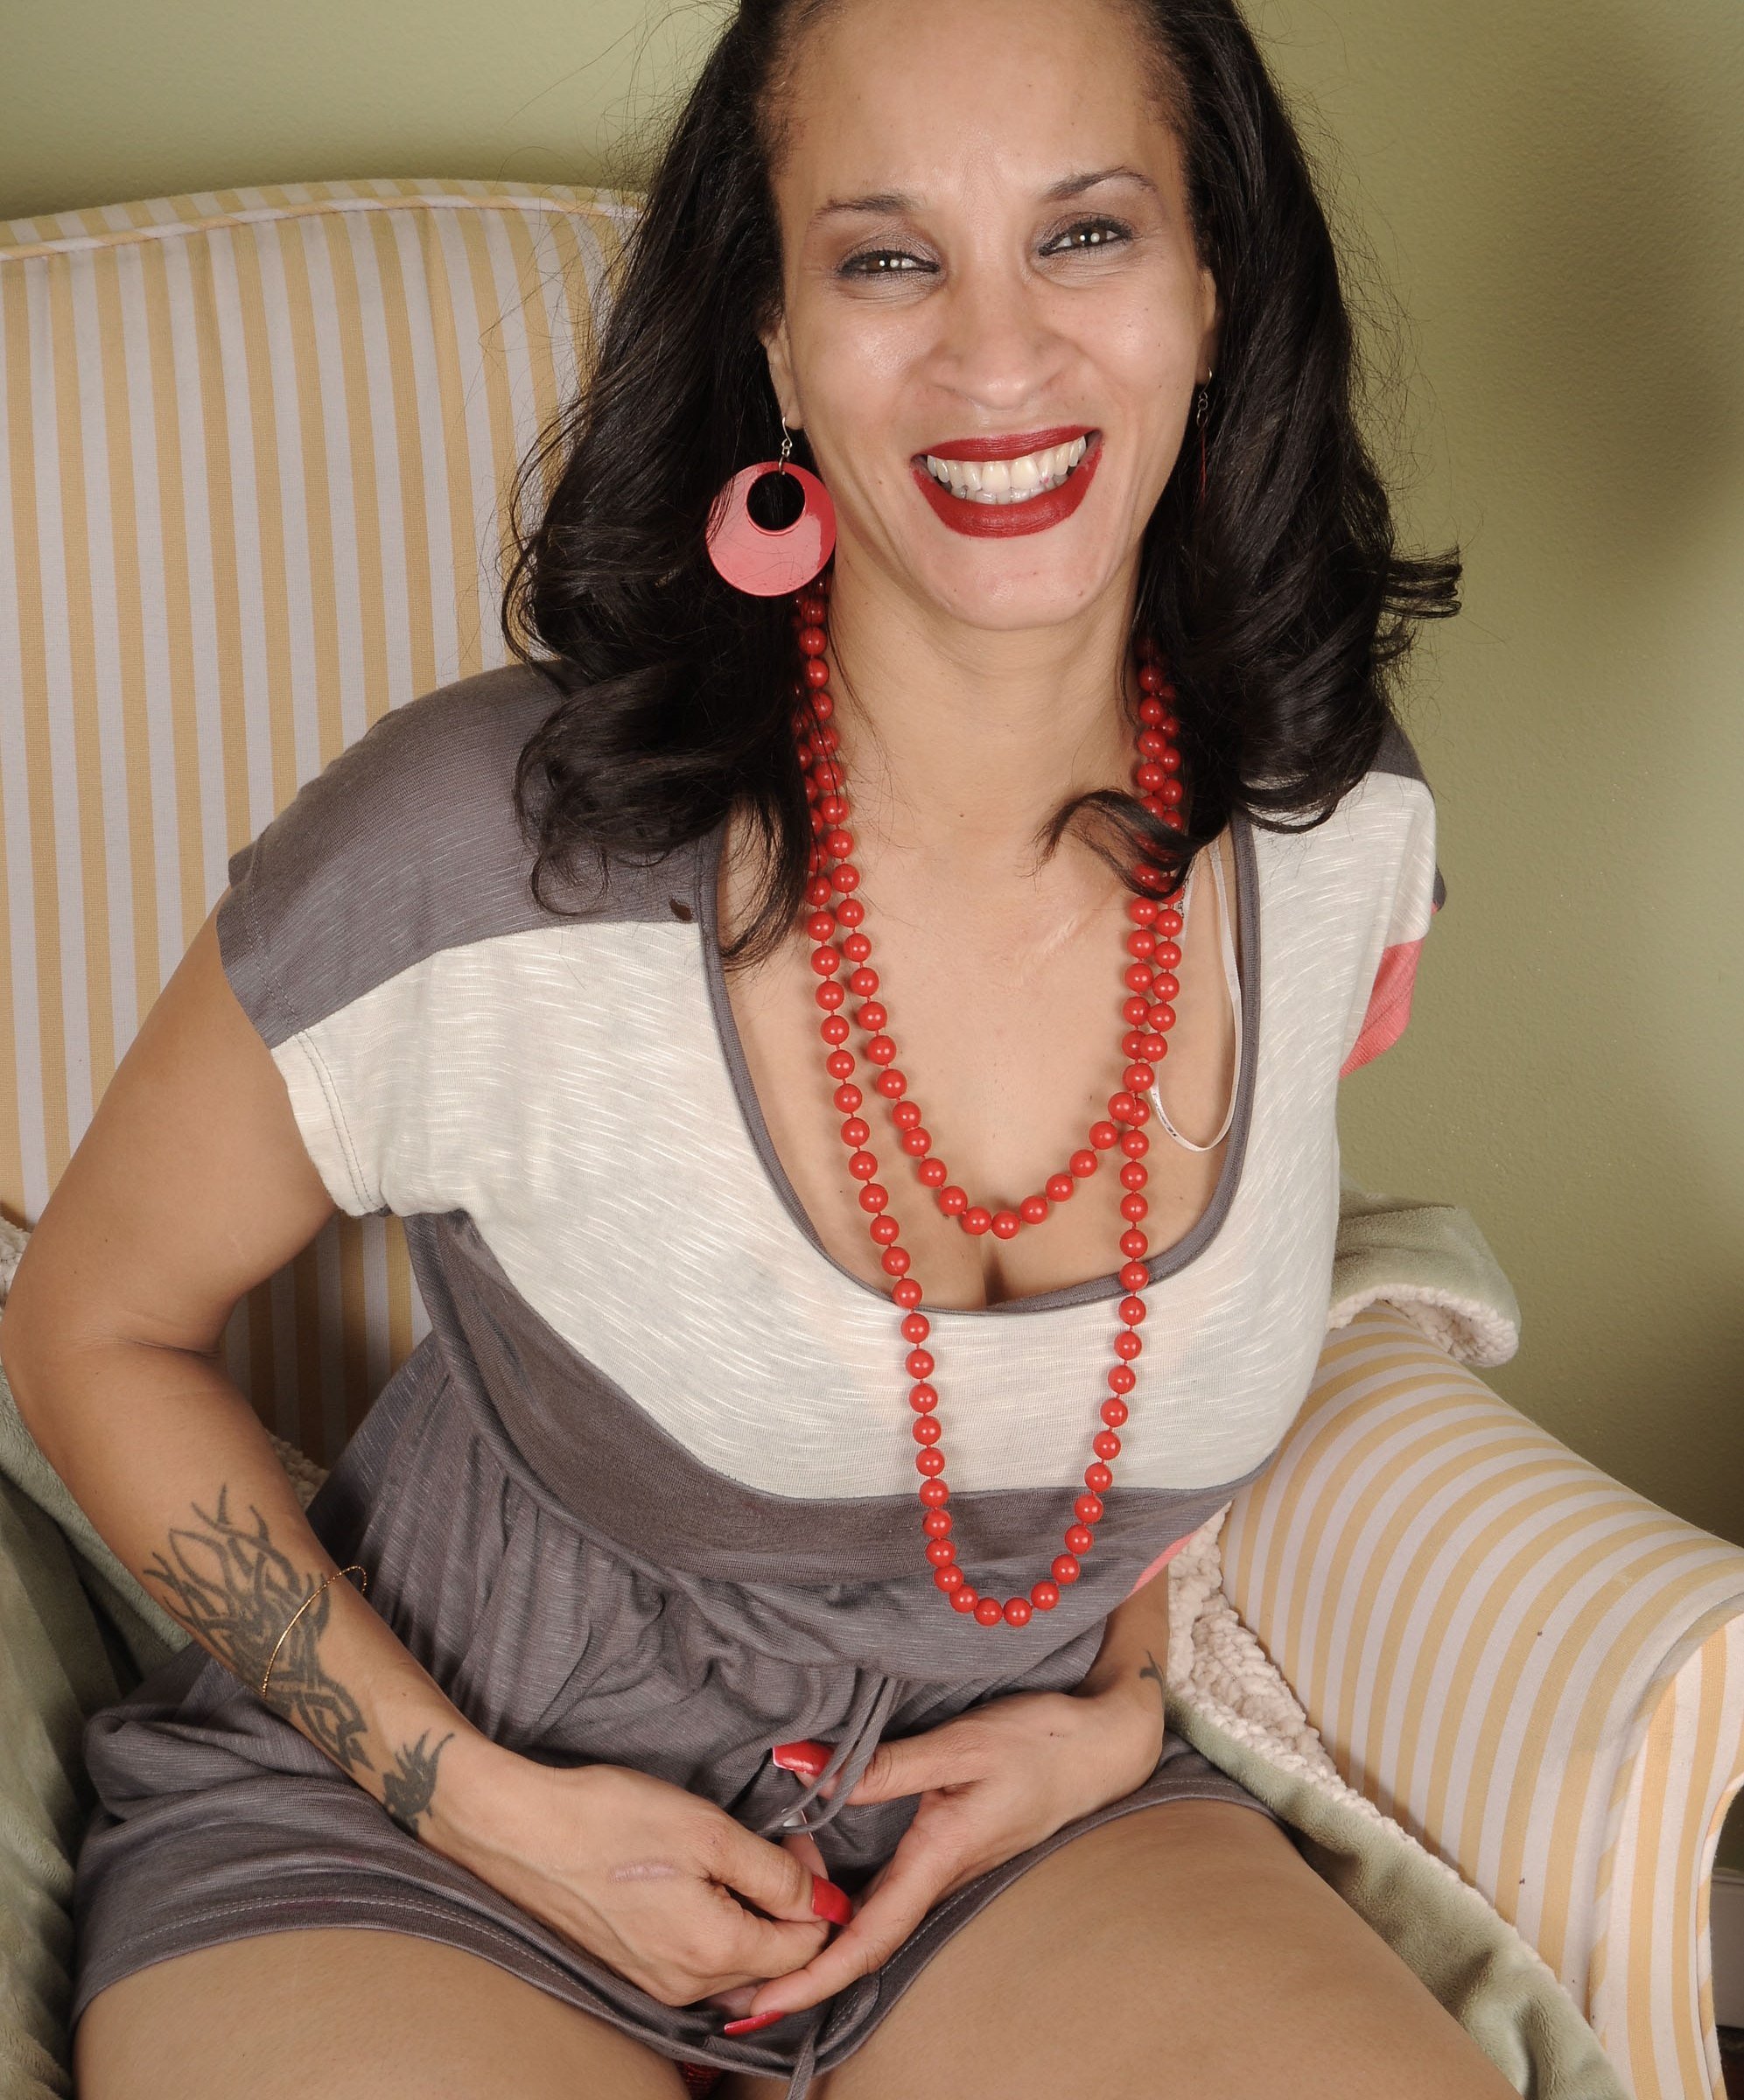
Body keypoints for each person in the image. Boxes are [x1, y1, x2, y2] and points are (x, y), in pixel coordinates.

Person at [0, 0, 1514, 2093]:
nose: (997, 353)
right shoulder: (480, 853)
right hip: (420, 1844)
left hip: (1009, 1841)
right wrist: (472, 1799)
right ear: (777, 344)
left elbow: (1163, 1388)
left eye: (1084, 234)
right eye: (887, 258)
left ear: (1212, 290)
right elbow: (90, 1325)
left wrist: (1117, 1703)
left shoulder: (1337, 834)